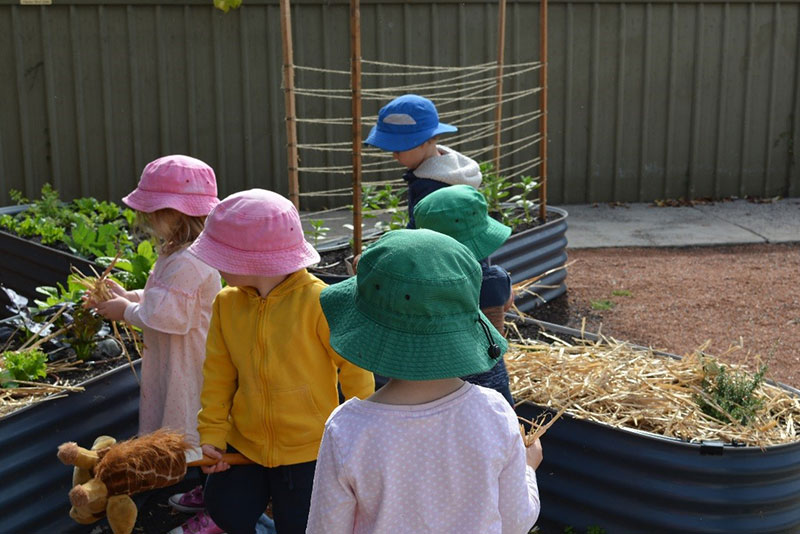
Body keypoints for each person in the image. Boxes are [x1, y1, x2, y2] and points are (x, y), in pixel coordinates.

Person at [307, 229, 542, 534]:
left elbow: (326, 529)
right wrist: (527, 468)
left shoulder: (348, 429)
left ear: (366, 329)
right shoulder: (494, 413)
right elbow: (516, 522)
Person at [186, 188, 375, 534]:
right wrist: (212, 433)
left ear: (251, 261)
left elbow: (354, 367)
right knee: (225, 508)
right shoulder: (226, 304)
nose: (213, 265)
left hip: (309, 449)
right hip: (245, 442)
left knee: (300, 524)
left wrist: (357, 432)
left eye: (220, 257)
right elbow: (217, 374)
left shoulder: (319, 302)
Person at [90, 155, 224, 534]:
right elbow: (162, 296)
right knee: (182, 422)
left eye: (153, 212)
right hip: (174, 355)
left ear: (177, 214)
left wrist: (126, 311)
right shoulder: (177, 253)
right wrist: (128, 294)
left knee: (192, 422)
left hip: (189, 359)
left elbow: (170, 316)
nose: (147, 220)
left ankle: (216, 505)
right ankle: (202, 486)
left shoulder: (191, 261)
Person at [413, 184, 515, 405]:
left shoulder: (423, 288)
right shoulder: (495, 279)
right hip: (492, 386)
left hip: (440, 388)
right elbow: (507, 302)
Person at [364, 94, 482, 228]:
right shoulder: (451, 168)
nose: (394, 156)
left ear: (424, 141)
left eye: (399, 149)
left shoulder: (430, 187)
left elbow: (422, 232)